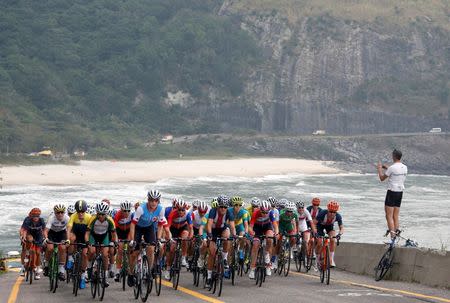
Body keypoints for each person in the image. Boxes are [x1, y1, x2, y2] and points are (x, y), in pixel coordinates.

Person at [128, 190, 168, 286]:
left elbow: (160, 224)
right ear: (148, 200)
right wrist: (133, 240)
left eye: (156, 201)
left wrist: (158, 238)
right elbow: (133, 224)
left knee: (151, 248)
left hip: (149, 228)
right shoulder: (141, 209)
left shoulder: (161, 209)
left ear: (158, 201)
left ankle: (149, 271)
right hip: (138, 228)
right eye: (151, 200)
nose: (153, 203)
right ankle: (130, 274)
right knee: (135, 253)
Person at [205, 195, 236, 288]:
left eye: (225, 207)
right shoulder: (213, 211)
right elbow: (209, 224)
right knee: (212, 253)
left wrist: (234, 235)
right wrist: (209, 234)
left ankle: (225, 258)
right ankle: (209, 277)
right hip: (213, 231)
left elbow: (232, 226)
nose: (223, 209)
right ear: (218, 206)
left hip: (222, 229)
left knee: (227, 237)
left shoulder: (229, 212)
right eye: (221, 206)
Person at [85, 201, 117, 287]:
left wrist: (114, 242)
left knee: (105, 254)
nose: (101, 216)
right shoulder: (93, 219)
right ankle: (88, 270)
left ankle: (105, 277)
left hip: (104, 237)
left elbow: (114, 234)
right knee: (91, 252)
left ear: (106, 214)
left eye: (103, 214)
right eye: (99, 214)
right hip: (93, 236)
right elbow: (87, 233)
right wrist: (87, 242)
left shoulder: (110, 220)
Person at [378, 149, 407, 238]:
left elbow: (382, 178)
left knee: (388, 216)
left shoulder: (392, 168)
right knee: (395, 215)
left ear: (394, 156)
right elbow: (395, 172)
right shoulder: (404, 167)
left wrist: (379, 169)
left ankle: (392, 237)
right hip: (400, 192)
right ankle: (396, 234)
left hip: (392, 192)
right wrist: (387, 168)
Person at [248, 200, 278, 279]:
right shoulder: (255, 213)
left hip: (267, 227)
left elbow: (275, 224)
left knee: (270, 238)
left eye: (266, 213)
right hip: (257, 229)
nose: (265, 214)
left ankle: (267, 259)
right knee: (255, 246)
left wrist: (277, 233)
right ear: (260, 210)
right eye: (263, 212)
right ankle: (252, 269)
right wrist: (252, 233)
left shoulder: (271, 213)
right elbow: (250, 227)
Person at [166, 198, 193, 278]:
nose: (181, 212)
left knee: (185, 237)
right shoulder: (172, 213)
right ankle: (168, 268)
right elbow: (168, 227)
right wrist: (169, 236)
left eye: (183, 210)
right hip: (173, 229)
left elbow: (191, 228)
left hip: (183, 228)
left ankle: (184, 257)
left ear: (185, 209)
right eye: (179, 210)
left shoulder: (188, 214)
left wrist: (190, 237)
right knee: (172, 249)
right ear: (176, 209)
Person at [67, 200, 91, 289]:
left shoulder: (89, 217)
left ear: (85, 211)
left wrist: (89, 242)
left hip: (85, 236)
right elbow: (69, 229)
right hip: (75, 234)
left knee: (84, 255)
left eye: (82, 212)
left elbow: (90, 232)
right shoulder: (73, 216)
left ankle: (83, 277)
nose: (80, 214)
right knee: (71, 238)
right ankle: (70, 258)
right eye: (78, 212)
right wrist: (67, 239)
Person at [43, 204, 70, 280]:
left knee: (63, 248)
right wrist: (46, 238)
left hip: (62, 233)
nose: (60, 214)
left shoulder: (67, 218)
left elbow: (68, 230)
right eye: (58, 213)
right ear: (55, 213)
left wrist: (68, 239)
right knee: (50, 248)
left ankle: (61, 270)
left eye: (62, 212)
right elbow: (46, 231)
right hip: (52, 233)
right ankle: (47, 265)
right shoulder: (51, 218)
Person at [314, 201, 343, 267]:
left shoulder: (338, 216)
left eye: (334, 212)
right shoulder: (322, 213)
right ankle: (317, 258)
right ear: (328, 210)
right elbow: (313, 223)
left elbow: (341, 227)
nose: (332, 213)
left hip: (329, 226)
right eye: (330, 211)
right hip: (320, 226)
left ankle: (331, 259)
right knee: (320, 242)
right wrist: (315, 232)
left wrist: (339, 234)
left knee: (333, 240)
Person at [19, 208, 45, 279]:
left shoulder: (41, 221)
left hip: (38, 235)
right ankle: (23, 267)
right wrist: (23, 237)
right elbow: (24, 230)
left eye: (38, 216)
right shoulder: (27, 220)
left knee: (38, 253)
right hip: (29, 234)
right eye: (34, 215)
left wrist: (45, 238)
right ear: (31, 216)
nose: (36, 217)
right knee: (25, 248)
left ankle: (37, 269)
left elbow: (44, 230)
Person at [113, 200, 133, 282]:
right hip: (119, 232)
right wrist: (117, 240)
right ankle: (117, 272)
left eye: (128, 211)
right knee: (120, 249)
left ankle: (130, 268)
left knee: (129, 249)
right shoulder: (117, 215)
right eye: (124, 211)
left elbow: (132, 229)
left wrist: (129, 239)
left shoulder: (132, 215)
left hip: (128, 232)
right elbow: (114, 230)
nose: (126, 212)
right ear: (121, 210)